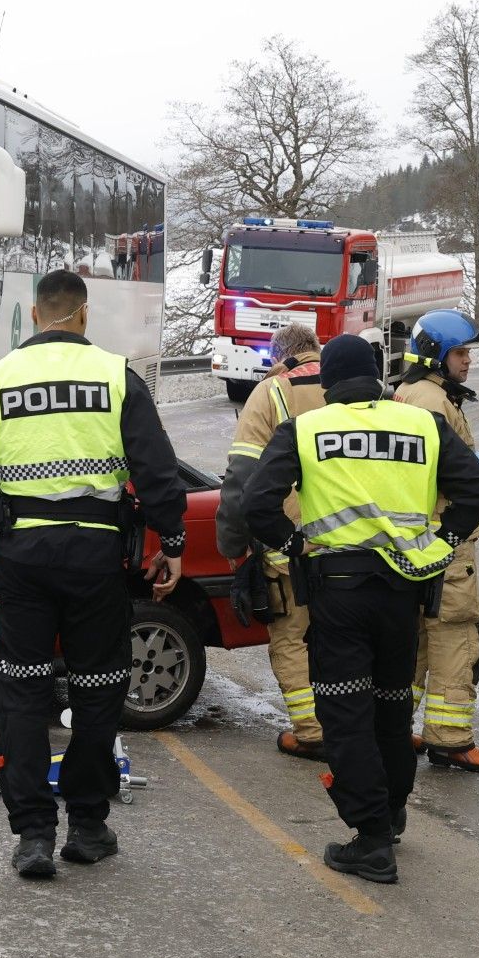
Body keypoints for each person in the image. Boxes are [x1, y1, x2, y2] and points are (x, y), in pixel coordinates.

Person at [0, 269, 189, 879]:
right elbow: (157, 471)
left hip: (23, 556)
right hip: (96, 556)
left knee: (22, 694)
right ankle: (87, 826)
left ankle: (32, 835)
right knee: (99, 689)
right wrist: (173, 543)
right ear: (83, 314)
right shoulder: (116, 377)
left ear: (33, 315)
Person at [242, 335, 479, 884]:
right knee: (390, 708)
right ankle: (392, 812)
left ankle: (372, 839)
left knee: (344, 713)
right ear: (378, 376)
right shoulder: (422, 424)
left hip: (339, 592)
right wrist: (443, 544)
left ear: (328, 383)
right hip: (404, 592)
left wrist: (292, 545)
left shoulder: (306, 429)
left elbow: (256, 502)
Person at [395, 310, 479, 772]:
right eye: (460, 353)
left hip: (412, 535)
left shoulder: (411, 393)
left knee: (416, 641)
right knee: (455, 634)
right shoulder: (433, 401)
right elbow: (449, 469)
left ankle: (392, 729)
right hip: (444, 537)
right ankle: (451, 739)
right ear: (435, 355)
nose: (468, 361)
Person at [215, 322, 327, 760]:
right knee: (346, 638)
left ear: (278, 356)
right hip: (358, 545)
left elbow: (242, 478)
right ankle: (356, 722)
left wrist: (233, 546)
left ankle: (312, 731)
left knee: (292, 638)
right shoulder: (358, 389)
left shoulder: (271, 392)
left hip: (291, 545)